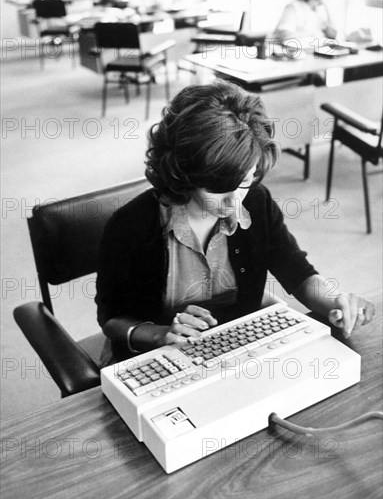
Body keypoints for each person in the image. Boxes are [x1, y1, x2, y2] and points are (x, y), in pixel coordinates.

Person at [95, 81, 374, 366]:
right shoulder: (130, 225)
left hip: (236, 346)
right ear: (183, 174)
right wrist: (160, 334)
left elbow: (298, 272)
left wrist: (334, 303)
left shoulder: (256, 201)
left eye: (244, 182)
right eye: (218, 189)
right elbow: (111, 318)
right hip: (158, 357)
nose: (234, 203)